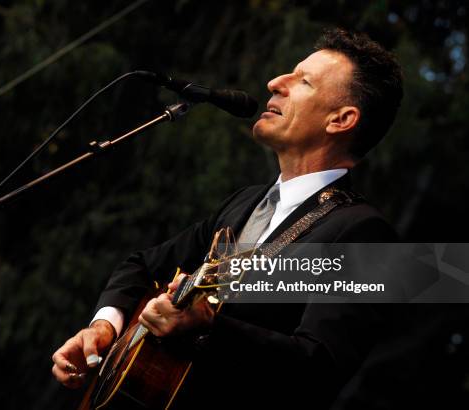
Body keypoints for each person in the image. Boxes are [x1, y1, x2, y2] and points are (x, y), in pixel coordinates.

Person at [52, 28, 403, 408]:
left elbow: (318, 367)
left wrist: (207, 329)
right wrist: (104, 326)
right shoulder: (244, 203)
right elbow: (141, 266)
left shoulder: (364, 233)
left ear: (341, 119)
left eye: (303, 81)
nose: (274, 82)